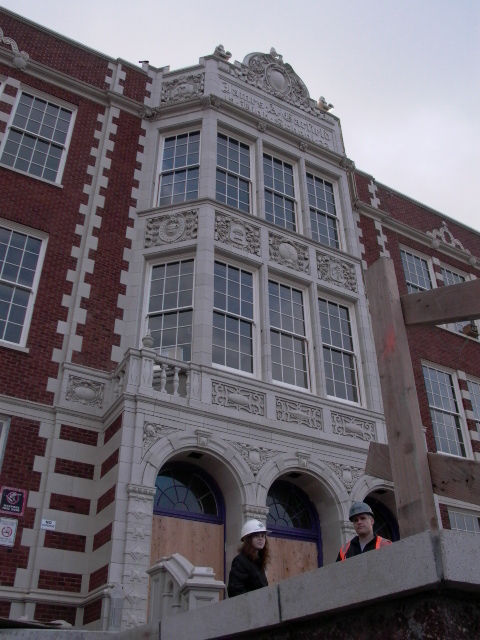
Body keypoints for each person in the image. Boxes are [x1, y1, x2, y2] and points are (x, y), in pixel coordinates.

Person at [227, 519, 270, 597]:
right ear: (248, 539)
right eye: (256, 535)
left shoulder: (258, 562)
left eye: (263, 536)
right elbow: (235, 591)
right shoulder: (240, 561)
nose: (261, 539)